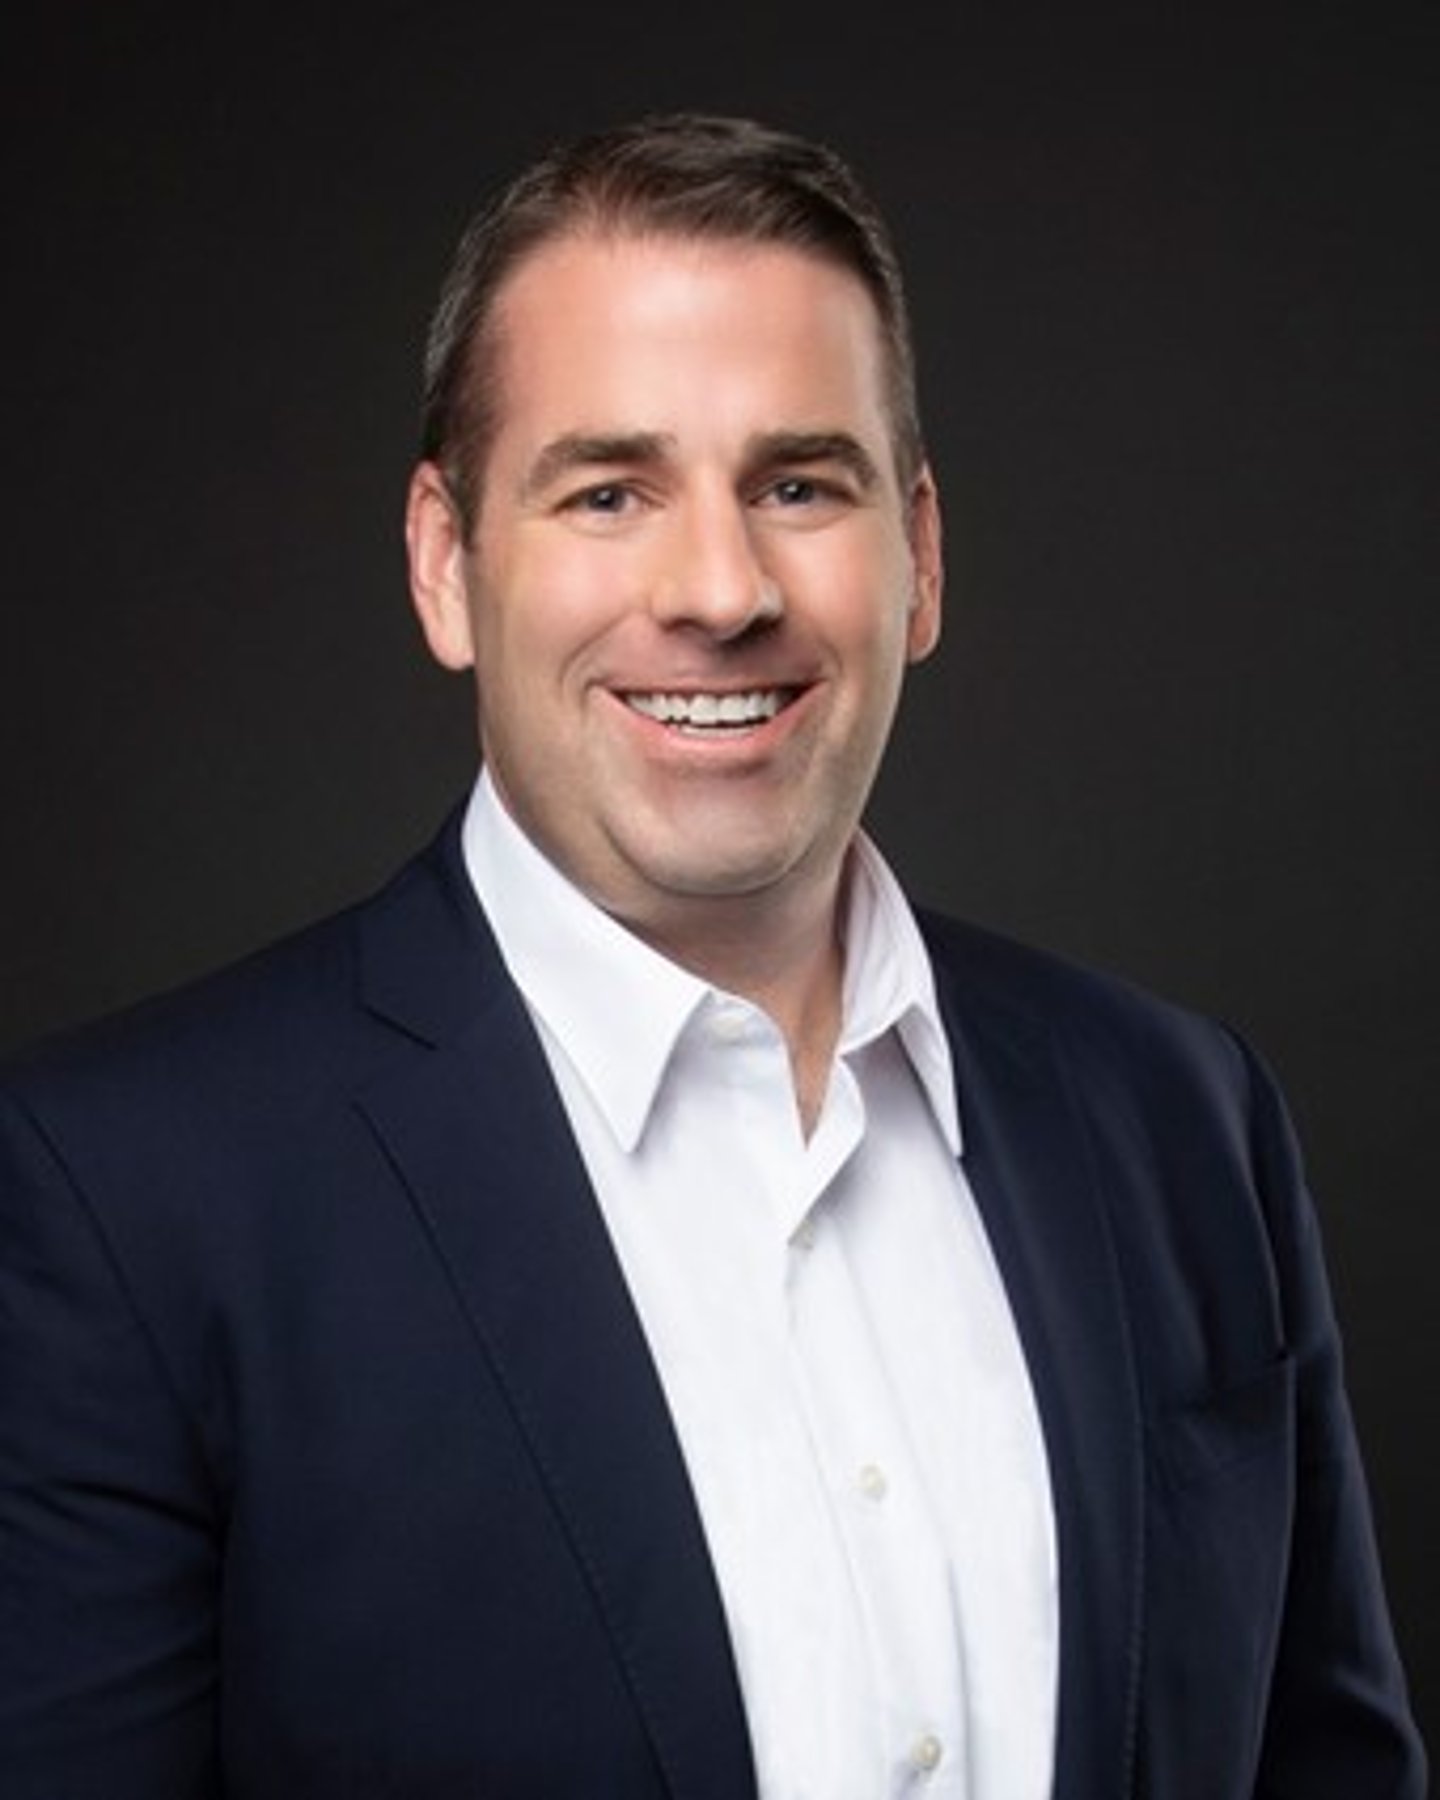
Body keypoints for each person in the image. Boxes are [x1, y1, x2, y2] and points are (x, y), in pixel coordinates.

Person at [0, 112, 1424, 1800]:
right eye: (611, 490)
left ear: (924, 559)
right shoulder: (122, 1201)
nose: (721, 588)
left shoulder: (1190, 1122)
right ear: (447, 566)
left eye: (799, 485)